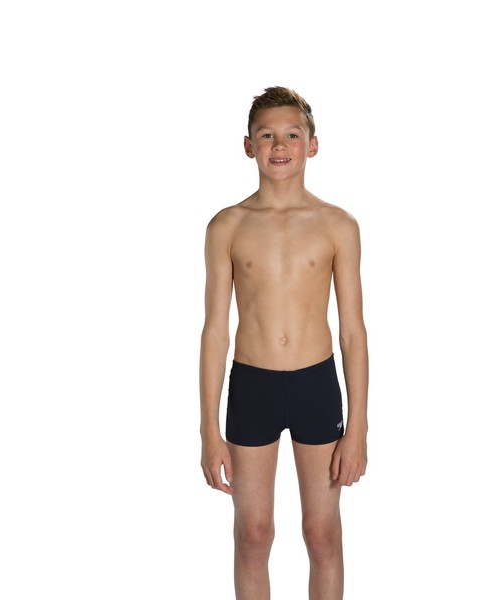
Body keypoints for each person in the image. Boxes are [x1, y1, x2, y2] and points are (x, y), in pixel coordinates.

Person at [199, 86, 368, 600]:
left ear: (312, 145)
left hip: (317, 384)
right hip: (252, 386)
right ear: (248, 145)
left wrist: (358, 426)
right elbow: (214, 330)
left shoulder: (337, 225)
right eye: (267, 135)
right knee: (253, 535)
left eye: (292, 135)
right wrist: (209, 430)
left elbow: (353, 330)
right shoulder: (227, 225)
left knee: (322, 533)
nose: (279, 145)